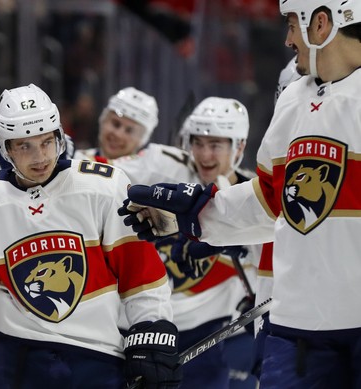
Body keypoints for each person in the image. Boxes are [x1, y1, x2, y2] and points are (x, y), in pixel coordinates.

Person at [119, 1, 361, 387]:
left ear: (321, 23)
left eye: (291, 24)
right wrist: (195, 213)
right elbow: (271, 202)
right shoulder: (294, 100)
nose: (287, 39)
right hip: (298, 327)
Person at [0, 83, 180, 388]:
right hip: (13, 361)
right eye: (25, 146)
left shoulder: (103, 187)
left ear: (59, 136)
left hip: (95, 360)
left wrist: (152, 331)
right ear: (5, 148)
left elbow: (140, 276)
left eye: (47, 142)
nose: (40, 156)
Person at [112, 96, 260, 389]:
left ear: (239, 147)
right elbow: (99, 171)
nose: (204, 154)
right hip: (138, 331)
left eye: (216, 145)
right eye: (198, 142)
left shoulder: (254, 200)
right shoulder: (162, 167)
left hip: (205, 341)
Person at [74, 86, 159, 161]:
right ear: (103, 121)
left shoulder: (147, 177)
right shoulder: (75, 161)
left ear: (142, 140)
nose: (118, 134)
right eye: (116, 124)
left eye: (129, 130)